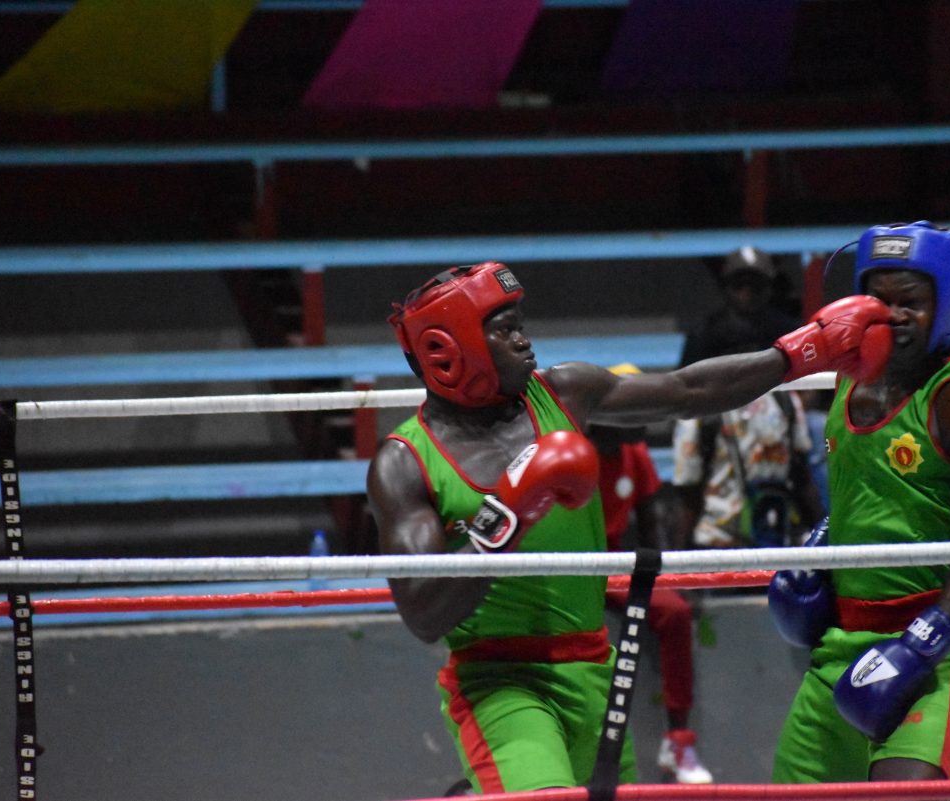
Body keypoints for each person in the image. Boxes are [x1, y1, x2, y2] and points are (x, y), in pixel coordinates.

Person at [367, 260, 894, 793]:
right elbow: (423, 612)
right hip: (499, 683)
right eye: (504, 330)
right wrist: (504, 515)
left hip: (597, 668)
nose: (525, 341)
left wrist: (796, 355)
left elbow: (687, 391)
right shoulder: (406, 462)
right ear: (449, 349)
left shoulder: (564, 393)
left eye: (520, 324)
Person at [767, 221, 950, 785]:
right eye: (879, 301)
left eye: (911, 302)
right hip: (840, 644)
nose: (893, 316)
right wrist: (823, 540)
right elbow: (872, 486)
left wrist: (922, 645)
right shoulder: (848, 377)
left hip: (936, 645)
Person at [587, 367, 713, 784]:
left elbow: (652, 529)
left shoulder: (635, 455)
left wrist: (670, 578)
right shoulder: (571, 454)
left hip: (616, 569)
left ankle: (678, 738)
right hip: (573, 569)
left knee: (674, 613)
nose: (640, 420)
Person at [674, 246, 826, 549]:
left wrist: (789, 406)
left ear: (768, 287)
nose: (747, 292)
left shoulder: (787, 329)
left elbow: (813, 381)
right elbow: (684, 385)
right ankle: (680, 564)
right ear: (726, 287)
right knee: (693, 476)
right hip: (715, 415)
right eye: (739, 284)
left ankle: (819, 545)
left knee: (816, 439)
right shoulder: (705, 331)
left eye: (755, 285)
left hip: (777, 413)